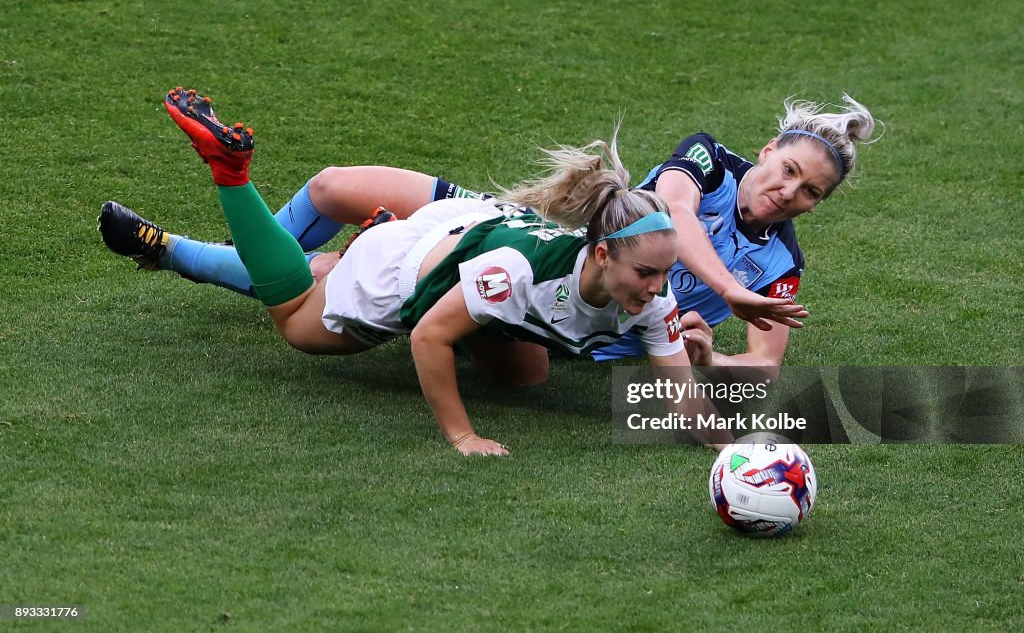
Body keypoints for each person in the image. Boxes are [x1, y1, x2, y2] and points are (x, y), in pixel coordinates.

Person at [118, 87, 728, 456]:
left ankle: (183, 250)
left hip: (470, 229)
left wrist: (732, 451)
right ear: (602, 254)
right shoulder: (516, 276)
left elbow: (680, 397)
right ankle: (231, 177)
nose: (658, 289)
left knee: (524, 376)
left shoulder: (648, 295)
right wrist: (462, 437)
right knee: (298, 323)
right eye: (648, 274)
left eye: (663, 275)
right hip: (410, 269)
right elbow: (428, 337)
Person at [102, 94, 874, 375]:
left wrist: (714, 353)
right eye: (789, 171)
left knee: (324, 298)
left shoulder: (781, 264)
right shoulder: (706, 159)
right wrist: (732, 291)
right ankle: (282, 253)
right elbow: (673, 218)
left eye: (812, 193)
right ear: (770, 149)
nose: (789, 193)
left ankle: (186, 253)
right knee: (335, 186)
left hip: (553, 308)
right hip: (534, 236)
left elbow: (763, 370)